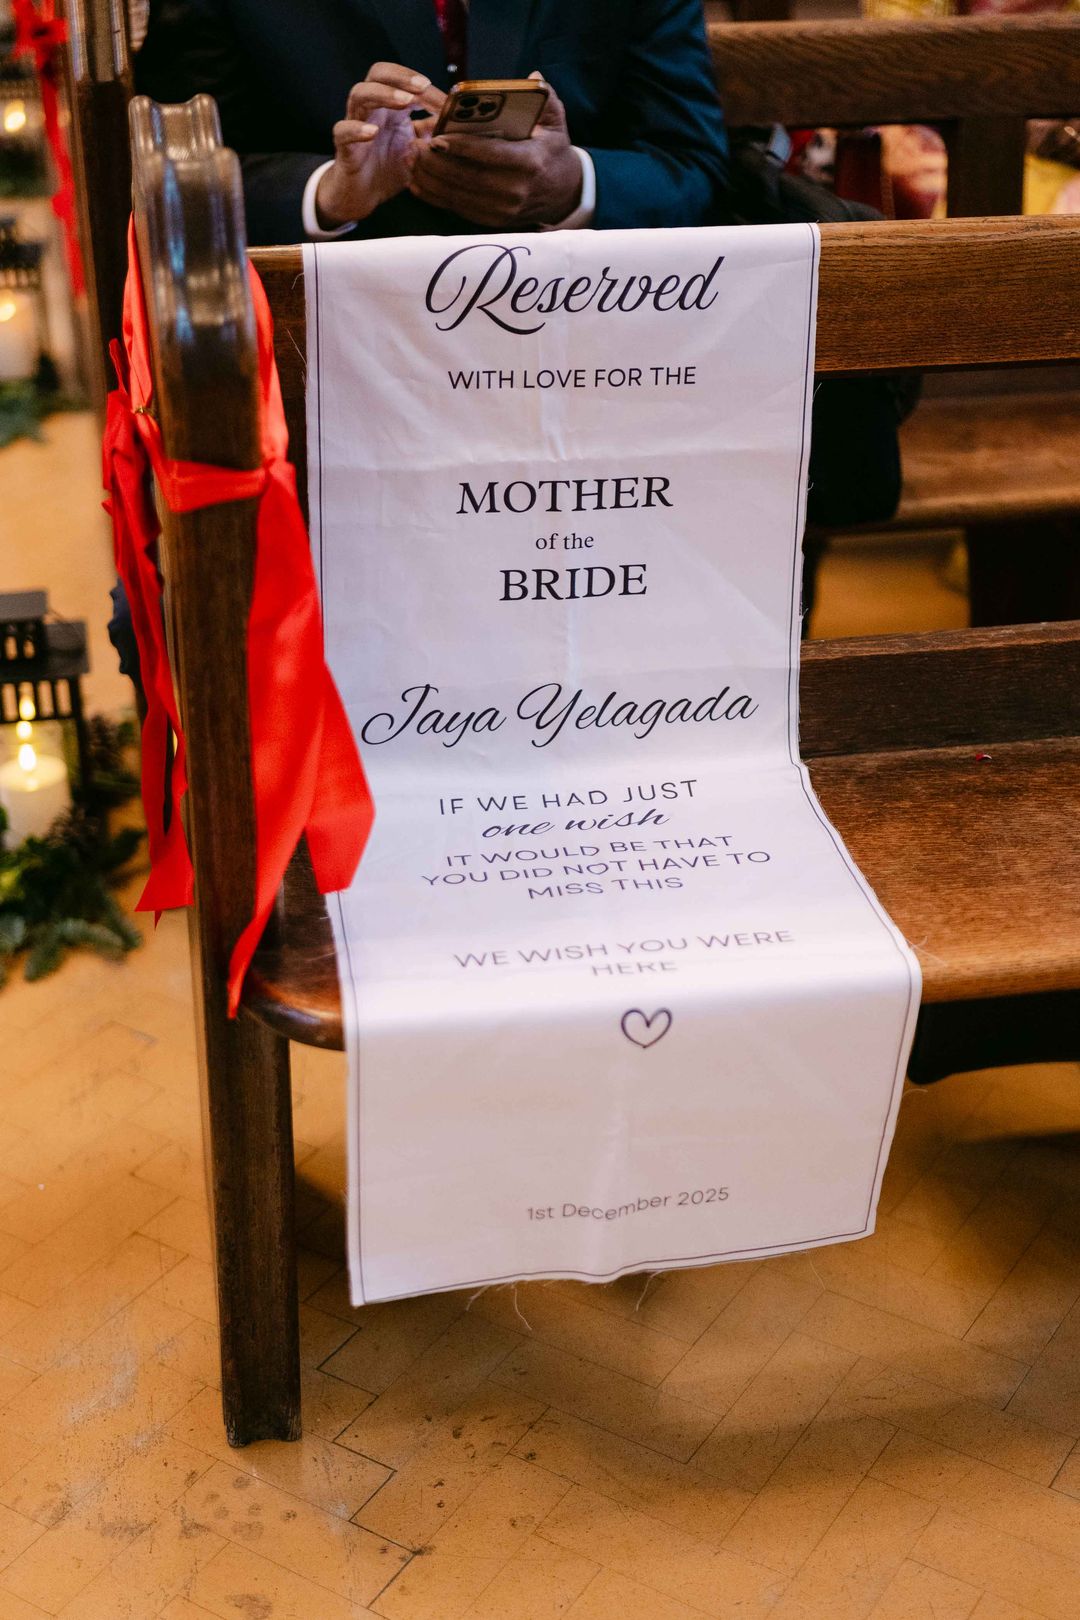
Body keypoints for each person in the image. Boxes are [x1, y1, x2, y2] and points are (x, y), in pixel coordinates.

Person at [135, 0, 731, 242]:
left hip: (591, 335)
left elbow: (692, 167)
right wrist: (329, 195)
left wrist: (572, 184)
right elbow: (174, 181)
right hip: (328, 345)